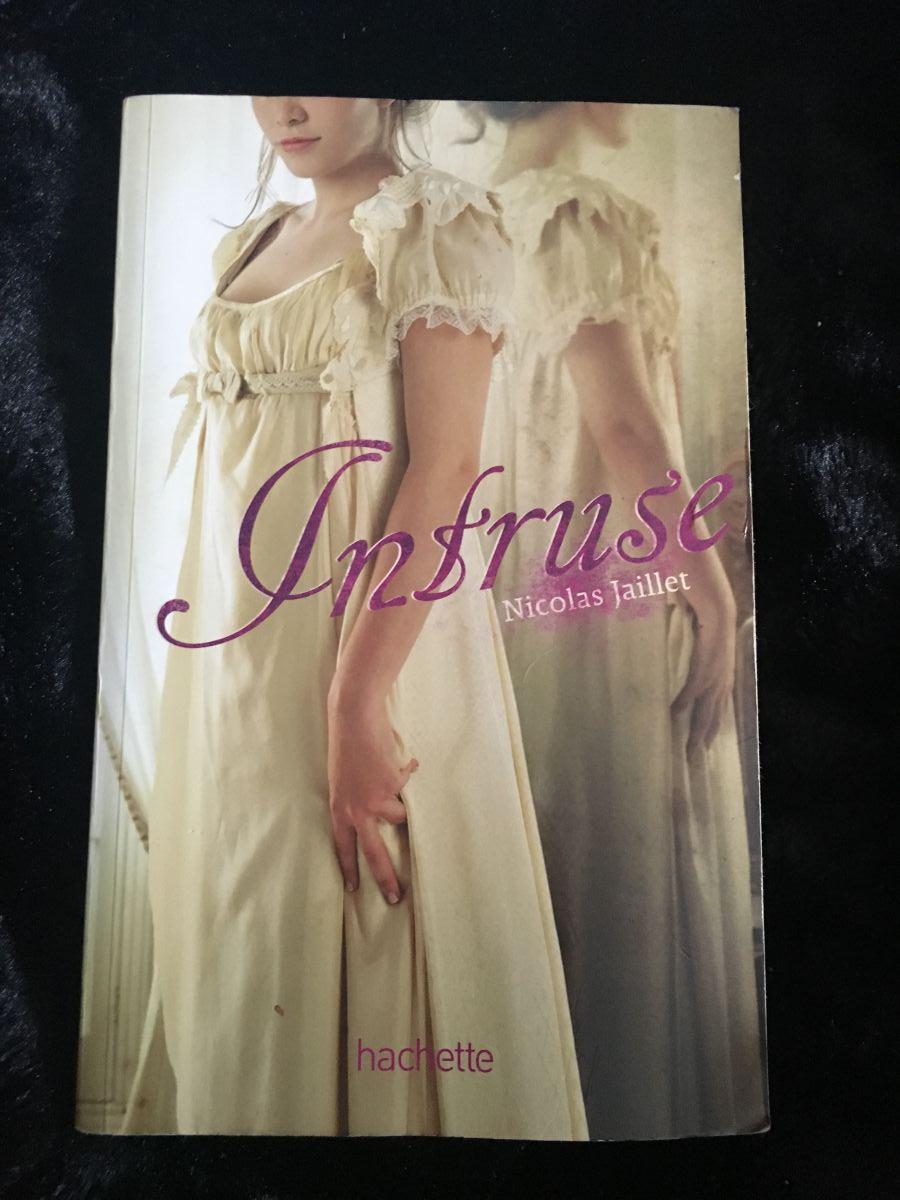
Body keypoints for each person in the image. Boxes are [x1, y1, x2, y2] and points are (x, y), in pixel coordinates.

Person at [119, 96, 587, 1139]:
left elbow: (447, 468)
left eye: (317, 81)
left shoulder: (436, 223)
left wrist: (357, 699)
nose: (284, 109)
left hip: (370, 648)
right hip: (239, 660)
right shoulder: (253, 240)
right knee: (250, 938)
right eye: (268, 80)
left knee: (360, 911)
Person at [457, 100, 767, 1138]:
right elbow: (627, 427)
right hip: (611, 595)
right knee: (622, 837)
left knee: (557, 836)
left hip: (519, 587)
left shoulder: (473, 218)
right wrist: (713, 594)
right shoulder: (575, 213)